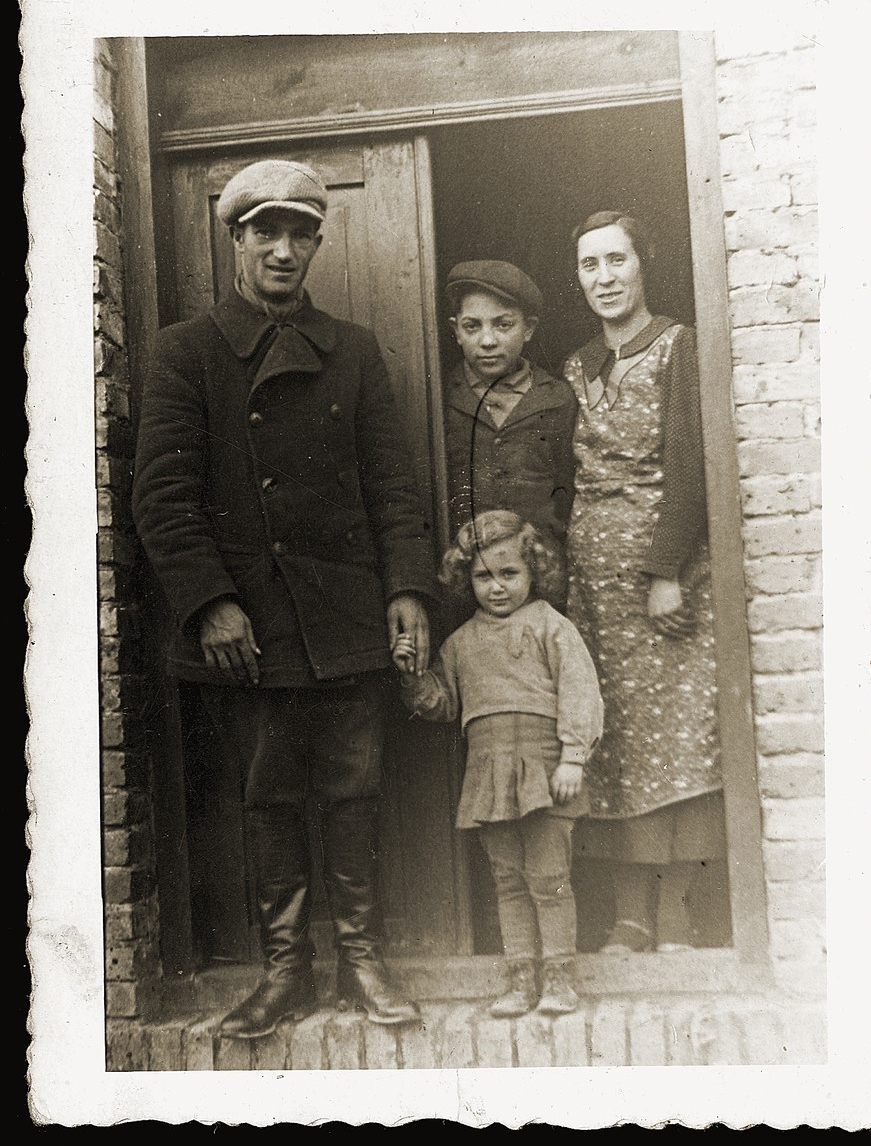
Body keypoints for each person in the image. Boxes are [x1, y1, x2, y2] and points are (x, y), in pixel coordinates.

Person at [132, 158, 437, 1037]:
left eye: (301, 232)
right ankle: (284, 972)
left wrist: (409, 587)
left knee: (354, 787)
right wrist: (210, 602)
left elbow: (392, 485)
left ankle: (362, 963)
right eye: (266, 231)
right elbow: (162, 496)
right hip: (251, 620)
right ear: (236, 238)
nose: (284, 249)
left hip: (343, 609)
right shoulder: (184, 352)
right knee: (268, 793)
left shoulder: (353, 348)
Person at [563, 209, 727, 955]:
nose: (604, 277)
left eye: (616, 260)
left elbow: (692, 465)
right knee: (614, 746)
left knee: (681, 743)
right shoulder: (575, 367)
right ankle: (630, 915)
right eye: (589, 265)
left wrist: (665, 572)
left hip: (659, 587)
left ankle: (677, 916)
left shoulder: (675, 347)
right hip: (592, 593)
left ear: (642, 264)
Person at [393, 510, 604, 1017]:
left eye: (509, 574)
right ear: (467, 581)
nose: (497, 587)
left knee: (549, 877)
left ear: (533, 571)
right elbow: (442, 705)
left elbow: (581, 693)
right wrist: (413, 676)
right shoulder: (460, 642)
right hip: (489, 774)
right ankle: (520, 978)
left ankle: (559, 977)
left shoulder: (552, 627)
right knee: (507, 880)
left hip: (547, 772)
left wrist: (573, 758)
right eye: (484, 577)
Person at [443, 260, 578, 586]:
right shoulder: (440, 397)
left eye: (503, 325)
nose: (487, 340)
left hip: (540, 575)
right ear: (456, 331)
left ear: (528, 328)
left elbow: (568, 489)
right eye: (472, 326)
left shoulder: (557, 399)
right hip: (466, 577)